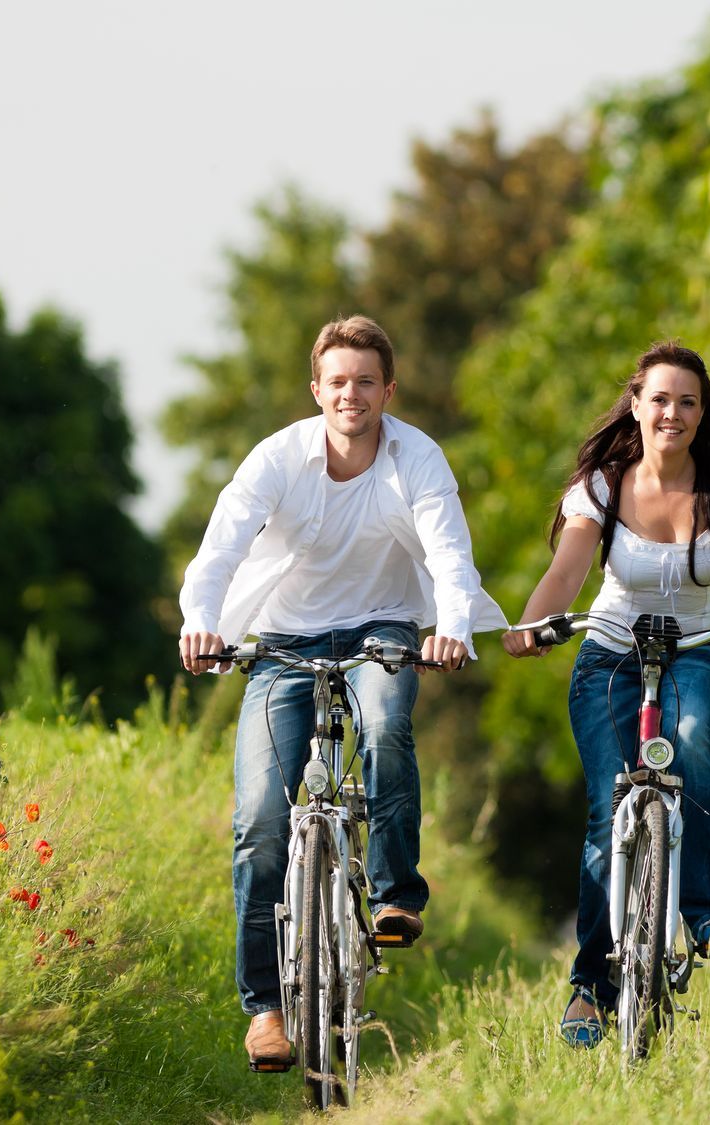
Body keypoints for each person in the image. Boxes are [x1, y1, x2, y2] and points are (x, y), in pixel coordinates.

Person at [179, 315, 506, 1072]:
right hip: (283, 641)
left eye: (366, 380)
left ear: (387, 389)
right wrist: (200, 624)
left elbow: (449, 552)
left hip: (382, 631)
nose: (350, 394)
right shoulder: (278, 458)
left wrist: (451, 628)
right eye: (337, 381)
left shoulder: (416, 457)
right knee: (260, 816)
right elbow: (220, 548)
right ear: (316, 390)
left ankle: (395, 897)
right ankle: (264, 1008)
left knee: (388, 720)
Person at [501, 341, 710, 1049]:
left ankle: (706, 912)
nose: (673, 412)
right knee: (611, 803)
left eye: (688, 400)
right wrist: (532, 624)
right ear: (636, 405)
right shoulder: (603, 483)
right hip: (610, 653)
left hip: (700, 651)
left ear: (703, 412)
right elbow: (570, 566)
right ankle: (589, 988)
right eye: (660, 398)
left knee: (692, 738)